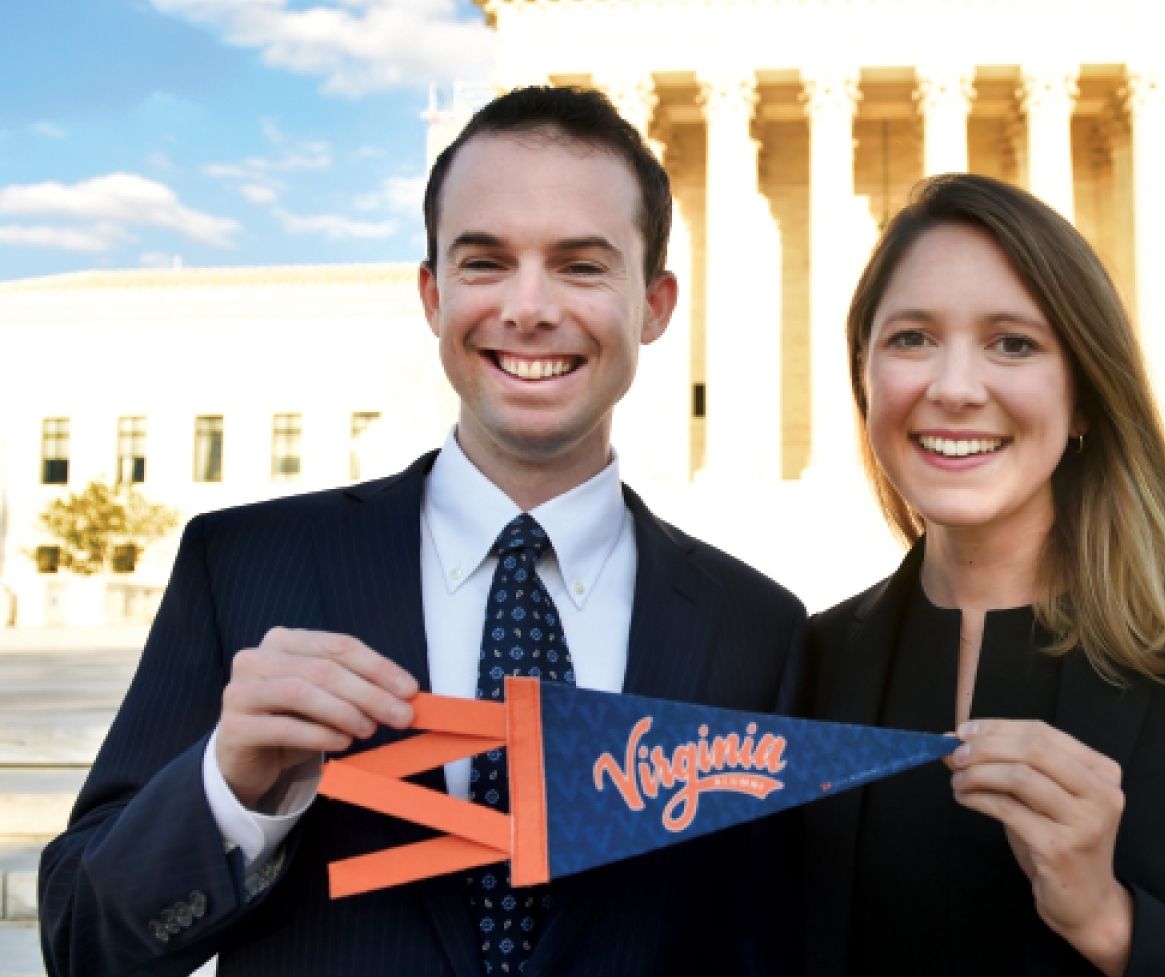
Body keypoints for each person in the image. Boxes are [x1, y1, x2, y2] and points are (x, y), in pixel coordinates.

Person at [40, 86, 805, 977]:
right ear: (432, 294)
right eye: (485, 262)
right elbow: (84, 943)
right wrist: (230, 789)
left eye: (581, 266)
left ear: (656, 305)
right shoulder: (245, 567)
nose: (527, 307)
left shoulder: (757, 630)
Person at [801, 174, 1165, 976]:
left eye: (1014, 342)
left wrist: (1110, 919)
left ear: (1084, 398)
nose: (954, 387)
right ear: (865, 376)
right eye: (911, 338)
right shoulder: (808, 661)